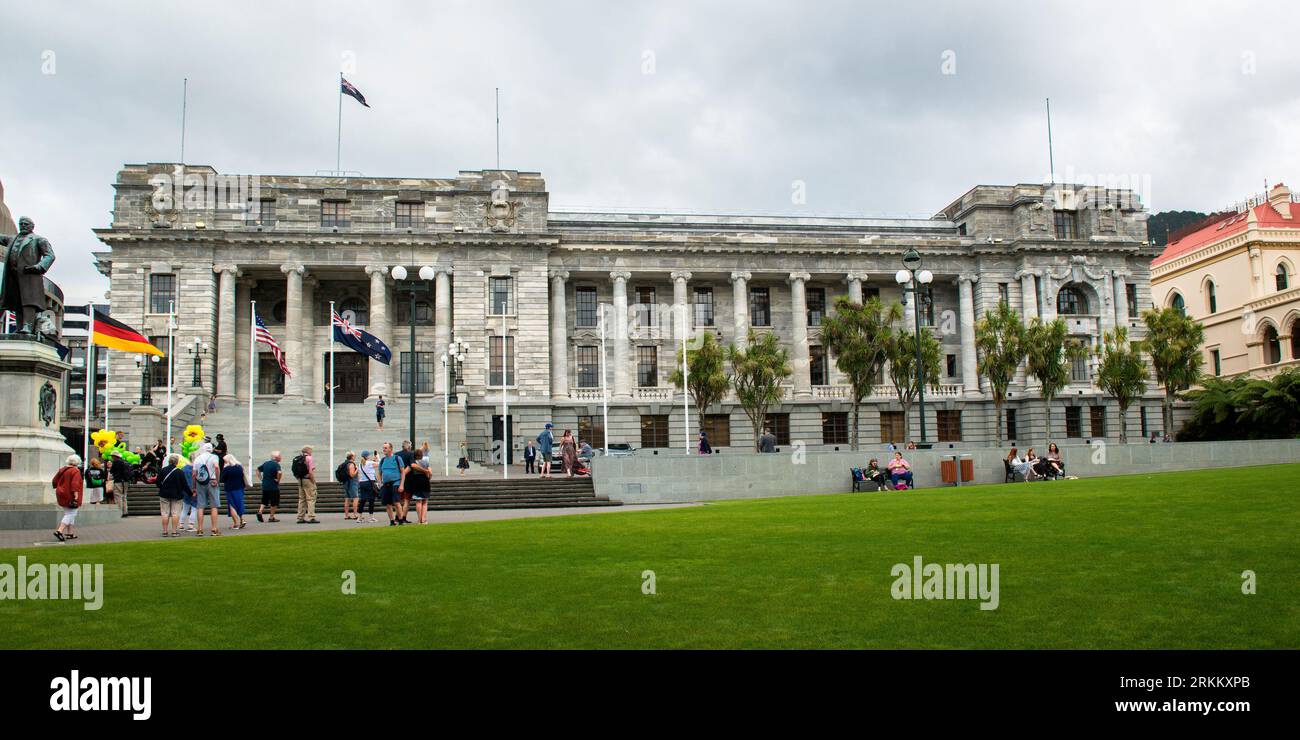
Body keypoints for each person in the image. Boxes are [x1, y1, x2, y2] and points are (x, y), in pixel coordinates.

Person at [52, 454, 83, 542]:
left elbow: (54, 481)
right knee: (71, 513)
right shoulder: (75, 471)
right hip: (70, 493)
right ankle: (60, 531)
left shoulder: (62, 469)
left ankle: (70, 533)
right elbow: (75, 483)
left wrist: (58, 487)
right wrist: (76, 494)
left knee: (68, 512)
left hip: (61, 492)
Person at [156, 453, 189, 537]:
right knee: (175, 513)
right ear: (177, 462)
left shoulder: (162, 470)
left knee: (165, 513)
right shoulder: (180, 472)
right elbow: (185, 485)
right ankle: (174, 531)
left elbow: (157, 482)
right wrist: (191, 493)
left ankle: (165, 531)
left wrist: (162, 488)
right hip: (177, 495)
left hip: (164, 494)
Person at [193, 442, 222, 535]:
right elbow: (217, 467)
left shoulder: (198, 458)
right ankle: (214, 528)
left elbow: (194, 474)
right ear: (212, 449)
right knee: (214, 506)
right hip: (212, 481)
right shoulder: (214, 457)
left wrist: (194, 487)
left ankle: (200, 529)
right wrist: (217, 480)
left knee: (200, 505)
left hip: (200, 482)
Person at [378, 442, 404, 526]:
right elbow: (379, 473)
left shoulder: (397, 458)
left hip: (396, 482)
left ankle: (400, 520)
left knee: (396, 502)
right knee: (388, 504)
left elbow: (403, 472)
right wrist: (380, 483)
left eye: (386, 448)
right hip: (386, 484)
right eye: (383, 448)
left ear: (390, 449)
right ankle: (392, 521)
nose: (384, 449)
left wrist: (401, 484)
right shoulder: (382, 460)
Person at [405, 447, 432, 524]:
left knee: (418, 501)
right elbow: (430, 472)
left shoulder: (414, 462)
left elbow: (407, 471)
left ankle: (419, 520)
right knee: (425, 502)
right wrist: (429, 478)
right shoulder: (426, 462)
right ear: (422, 455)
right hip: (425, 481)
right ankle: (424, 519)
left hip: (416, 481)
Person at [293, 445, 319, 524]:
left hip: (300, 479)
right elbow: (310, 472)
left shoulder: (298, 458)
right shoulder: (309, 458)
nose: (311, 452)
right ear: (307, 450)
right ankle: (311, 517)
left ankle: (300, 517)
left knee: (302, 499)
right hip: (307, 480)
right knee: (311, 498)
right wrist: (313, 481)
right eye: (311, 450)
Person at [221, 454, 247, 529]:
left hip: (230, 488)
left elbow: (222, 479)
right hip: (240, 487)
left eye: (225, 461)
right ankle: (242, 519)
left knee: (232, 505)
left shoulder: (227, 469)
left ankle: (236, 523)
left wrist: (224, 468)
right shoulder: (239, 467)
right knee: (239, 503)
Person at [255, 451, 282, 522]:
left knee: (264, 499)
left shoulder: (266, 463)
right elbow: (279, 472)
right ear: (276, 458)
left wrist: (261, 479)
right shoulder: (276, 464)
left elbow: (257, 470)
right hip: (273, 486)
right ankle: (271, 517)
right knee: (274, 501)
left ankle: (260, 511)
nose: (281, 457)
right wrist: (278, 480)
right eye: (280, 456)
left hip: (265, 485)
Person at [357, 450, 378, 522]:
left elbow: (367, 465)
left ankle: (359, 518)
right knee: (371, 500)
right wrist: (377, 457)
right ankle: (370, 517)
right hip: (370, 483)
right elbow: (379, 464)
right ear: (367, 456)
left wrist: (373, 460)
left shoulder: (360, 464)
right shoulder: (370, 463)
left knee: (362, 500)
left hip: (362, 483)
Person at [396, 441, 414, 522]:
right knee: (407, 500)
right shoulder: (410, 454)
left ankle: (397, 516)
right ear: (409, 447)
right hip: (407, 480)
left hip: (397, 480)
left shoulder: (396, 454)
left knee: (398, 500)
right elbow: (410, 466)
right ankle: (403, 518)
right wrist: (403, 475)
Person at [180, 454, 199, 532]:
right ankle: (191, 524)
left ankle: (181, 524)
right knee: (194, 508)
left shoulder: (183, 469)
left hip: (185, 490)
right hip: (195, 489)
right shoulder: (197, 469)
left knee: (185, 508)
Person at [110, 449, 131, 516]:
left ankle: (119, 512)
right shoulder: (125, 462)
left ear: (114, 456)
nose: (111, 457)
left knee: (118, 496)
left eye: (112, 456)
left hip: (118, 481)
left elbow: (111, 471)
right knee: (124, 496)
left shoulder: (116, 462)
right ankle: (125, 511)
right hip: (126, 481)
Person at [341, 451, 360, 520]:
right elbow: (352, 475)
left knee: (347, 498)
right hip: (352, 483)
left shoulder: (345, 464)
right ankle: (355, 514)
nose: (355, 457)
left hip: (346, 483)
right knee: (355, 498)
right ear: (352, 456)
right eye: (354, 456)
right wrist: (357, 469)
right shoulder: (351, 464)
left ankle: (346, 515)